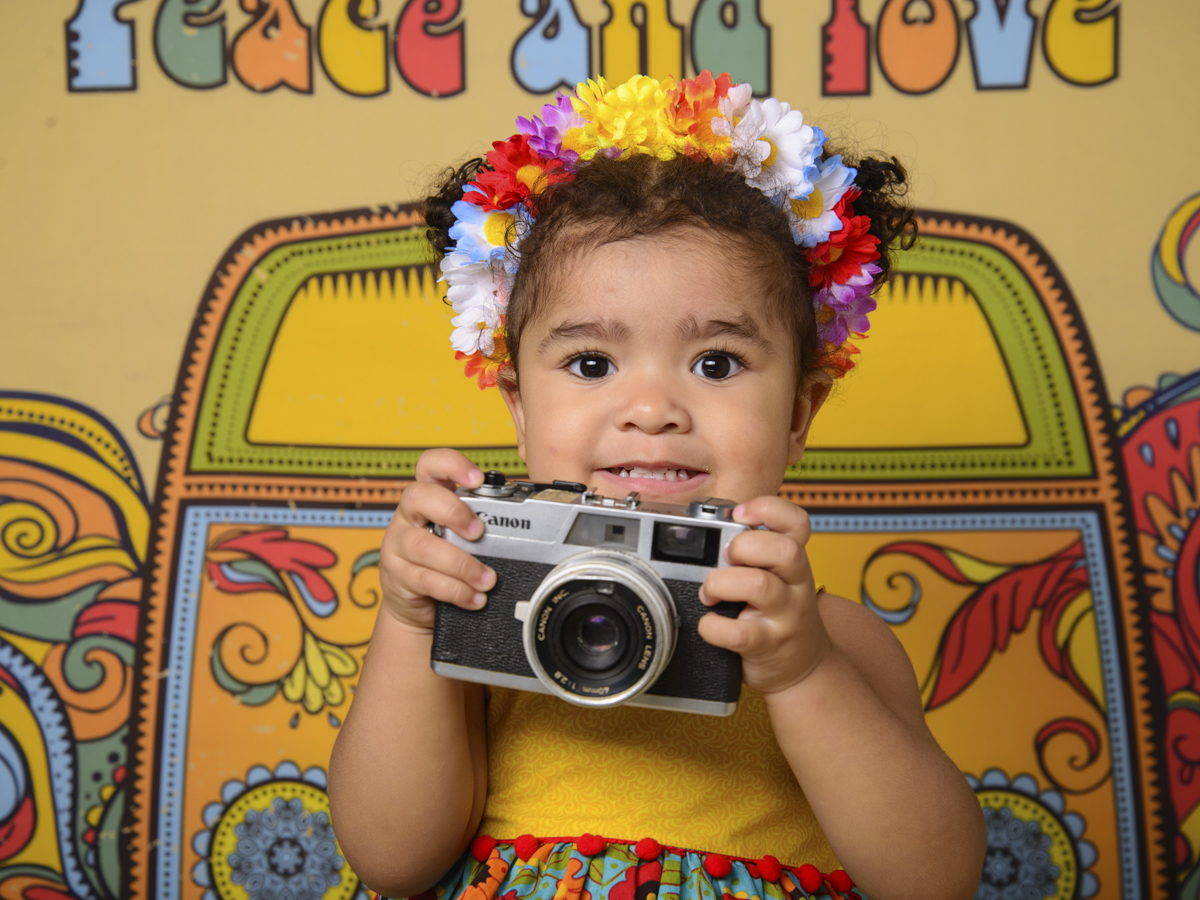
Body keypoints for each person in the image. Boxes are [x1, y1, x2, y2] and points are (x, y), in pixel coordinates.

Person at [329, 72, 986, 900]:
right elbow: (391, 861)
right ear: (520, 410)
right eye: (591, 363)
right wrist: (407, 621)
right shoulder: (482, 614)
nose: (650, 410)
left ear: (798, 413)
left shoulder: (831, 643)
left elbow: (935, 883)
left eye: (716, 363)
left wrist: (800, 673)